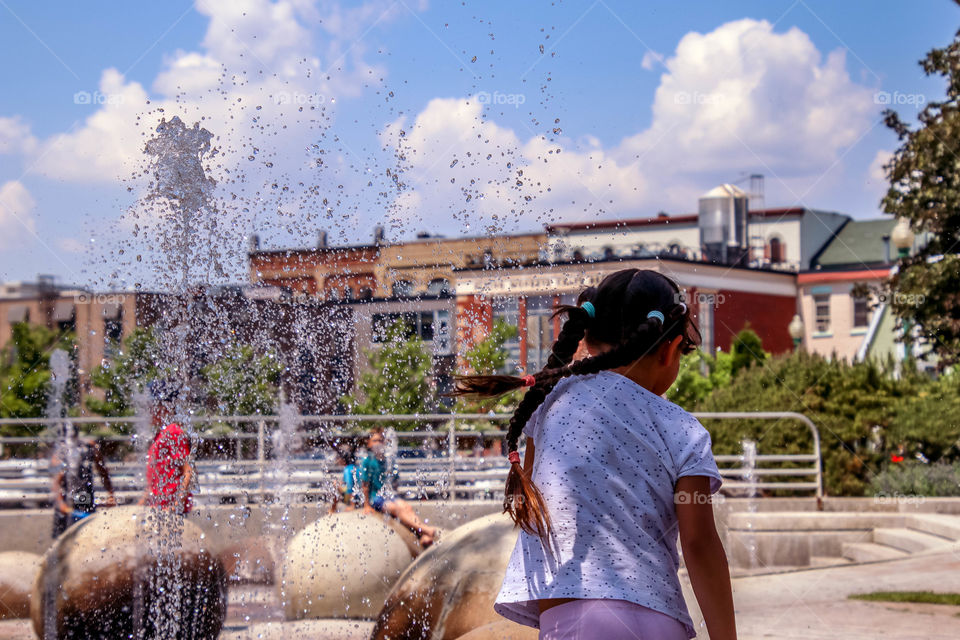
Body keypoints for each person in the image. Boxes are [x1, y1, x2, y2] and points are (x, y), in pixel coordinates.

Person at [449, 268, 737, 640]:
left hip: (573, 620)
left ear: (584, 337)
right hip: (661, 621)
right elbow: (699, 544)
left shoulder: (549, 403)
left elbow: (539, 504)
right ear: (670, 349)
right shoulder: (683, 429)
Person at [359, 427, 439, 548]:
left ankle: (422, 534)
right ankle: (424, 530)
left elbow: (394, 483)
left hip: (389, 496)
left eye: (380, 440)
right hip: (376, 498)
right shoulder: (367, 461)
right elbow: (365, 485)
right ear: (369, 444)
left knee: (406, 507)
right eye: (375, 441)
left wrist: (394, 496)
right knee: (396, 508)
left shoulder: (388, 461)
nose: (378, 443)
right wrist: (366, 505)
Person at [137, 381, 193, 515]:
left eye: (151, 406)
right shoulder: (159, 435)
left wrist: (176, 505)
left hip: (171, 510)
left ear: (165, 408)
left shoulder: (173, 432)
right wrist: (140, 504)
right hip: (159, 507)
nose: (148, 411)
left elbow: (188, 471)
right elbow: (154, 480)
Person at [50, 423, 115, 537]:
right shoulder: (61, 451)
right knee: (64, 541)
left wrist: (111, 494)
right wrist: (60, 503)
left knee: (87, 537)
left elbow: (103, 472)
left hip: (83, 497)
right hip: (67, 501)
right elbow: (56, 481)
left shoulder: (88, 447)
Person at [328, 443, 361, 514]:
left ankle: (332, 509)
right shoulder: (355, 467)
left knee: (335, 484)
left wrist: (352, 506)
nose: (337, 460)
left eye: (338, 458)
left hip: (354, 498)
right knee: (340, 483)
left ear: (342, 459)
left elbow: (350, 486)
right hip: (360, 496)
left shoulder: (347, 469)